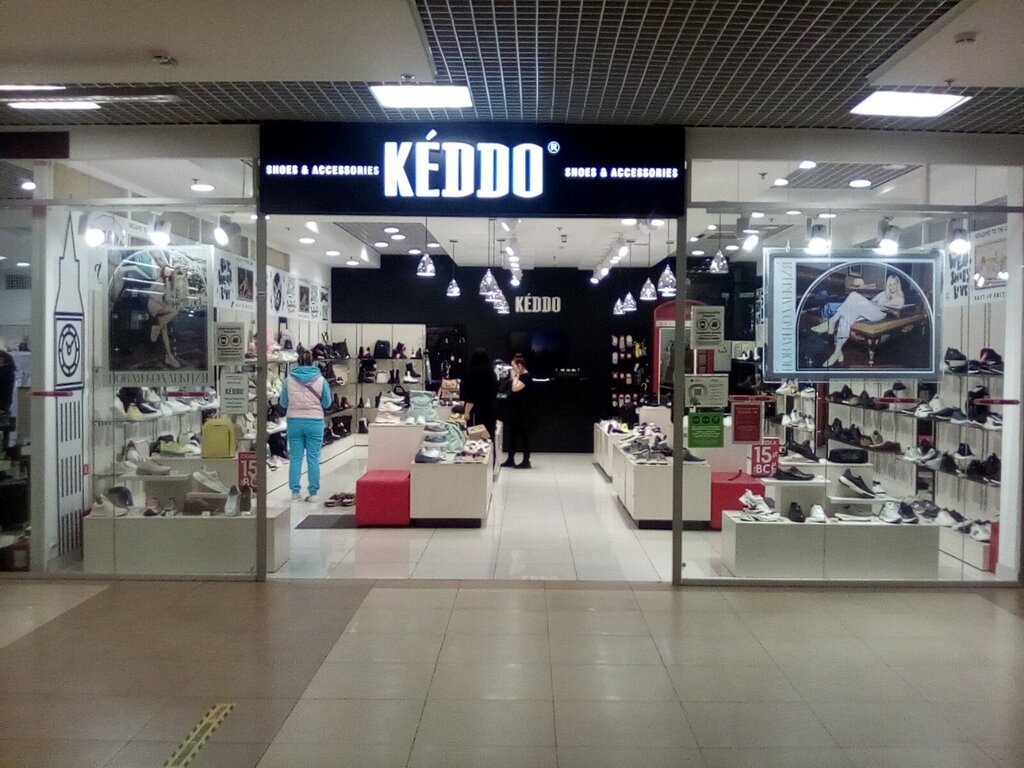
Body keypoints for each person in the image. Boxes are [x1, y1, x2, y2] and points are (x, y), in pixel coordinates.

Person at [812, 274, 905, 367]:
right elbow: (872, 301)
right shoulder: (883, 294)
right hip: (871, 310)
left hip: (878, 314)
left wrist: (886, 308)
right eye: (890, 284)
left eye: (894, 284)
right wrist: (865, 304)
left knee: (853, 295)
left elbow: (896, 312)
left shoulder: (900, 298)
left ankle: (831, 322)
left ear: (898, 284)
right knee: (844, 317)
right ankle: (837, 353)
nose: (892, 287)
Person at [279, 348, 331, 502]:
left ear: (297, 362)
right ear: (313, 362)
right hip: (315, 421)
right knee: (313, 458)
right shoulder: (321, 380)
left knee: (295, 458)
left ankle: (295, 493)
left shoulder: (288, 380)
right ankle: (313, 493)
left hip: (294, 421)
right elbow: (327, 403)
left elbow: (283, 403)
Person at [501, 353, 534, 469]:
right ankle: (510, 459)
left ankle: (526, 461)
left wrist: (516, 376)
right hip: (515, 410)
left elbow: (515, 388)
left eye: (514, 367)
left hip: (523, 411)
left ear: (519, 366)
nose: (512, 369)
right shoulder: (521, 376)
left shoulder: (526, 377)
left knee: (524, 436)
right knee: (512, 435)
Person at [461, 348, 498, 450]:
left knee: (476, 438)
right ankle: (491, 458)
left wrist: (467, 412)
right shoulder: (492, 373)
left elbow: (471, 396)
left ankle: (476, 456)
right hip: (490, 409)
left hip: (477, 411)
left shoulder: (473, 373)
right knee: (489, 437)